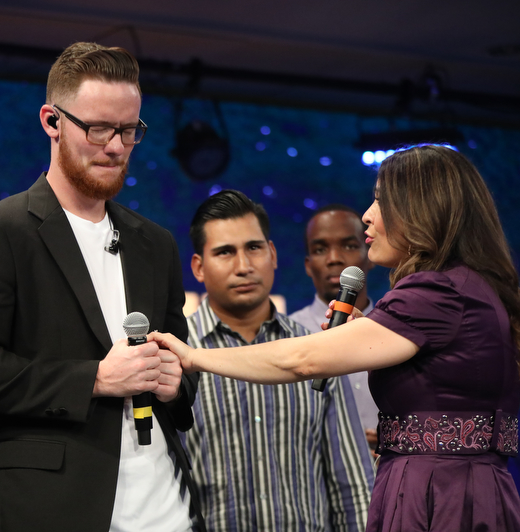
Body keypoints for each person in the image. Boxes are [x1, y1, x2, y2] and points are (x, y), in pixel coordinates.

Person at [153, 145, 520, 531]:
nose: (367, 215)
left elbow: (302, 361)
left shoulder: (438, 292)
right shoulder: (464, 289)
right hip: (455, 489)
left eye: (381, 200)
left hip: (441, 496)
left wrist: (193, 357)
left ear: (423, 210)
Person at [0, 42, 204, 532]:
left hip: (170, 512)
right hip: (54, 509)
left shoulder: (155, 243)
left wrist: (173, 384)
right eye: (98, 128)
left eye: (129, 130)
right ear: (51, 121)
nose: (116, 147)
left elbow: (179, 368)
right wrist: (96, 379)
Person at [184, 190, 374, 531]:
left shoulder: (318, 349)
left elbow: (353, 485)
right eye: (225, 252)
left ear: (272, 254)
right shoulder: (178, 355)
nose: (244, 266)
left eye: (253, 248)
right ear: (198, 267)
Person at [290, 204, 380, 453]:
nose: (334, 258)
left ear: (369, 253)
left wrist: (395, 436)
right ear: (308, 265)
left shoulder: (395, 329)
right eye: (320, 250)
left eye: (349, 246)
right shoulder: (288, 334)